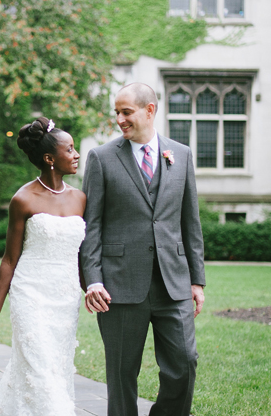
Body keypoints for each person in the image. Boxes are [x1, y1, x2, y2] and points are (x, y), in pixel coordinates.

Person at [79, 82, 206, 416]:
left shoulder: (181, 154)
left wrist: (197, 280)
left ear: (149, 110)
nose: (119, 119)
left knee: (185, 363)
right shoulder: (101, 158)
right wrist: (92, 280)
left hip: (173, 283)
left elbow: (190, 222)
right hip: (118, 286)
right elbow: (91, 225)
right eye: (117, 113)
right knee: (121, 374)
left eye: (126, 112)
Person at [0, 116, 86, 416]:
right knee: (40, 370)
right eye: (70, 149)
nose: (77, 154)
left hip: (65, 299)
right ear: (50, 158)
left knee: (55, 369)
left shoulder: (80, 199)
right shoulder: (22, 199)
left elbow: (82, 256)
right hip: (31, 295)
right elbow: (9, 260)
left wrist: (93, 288)